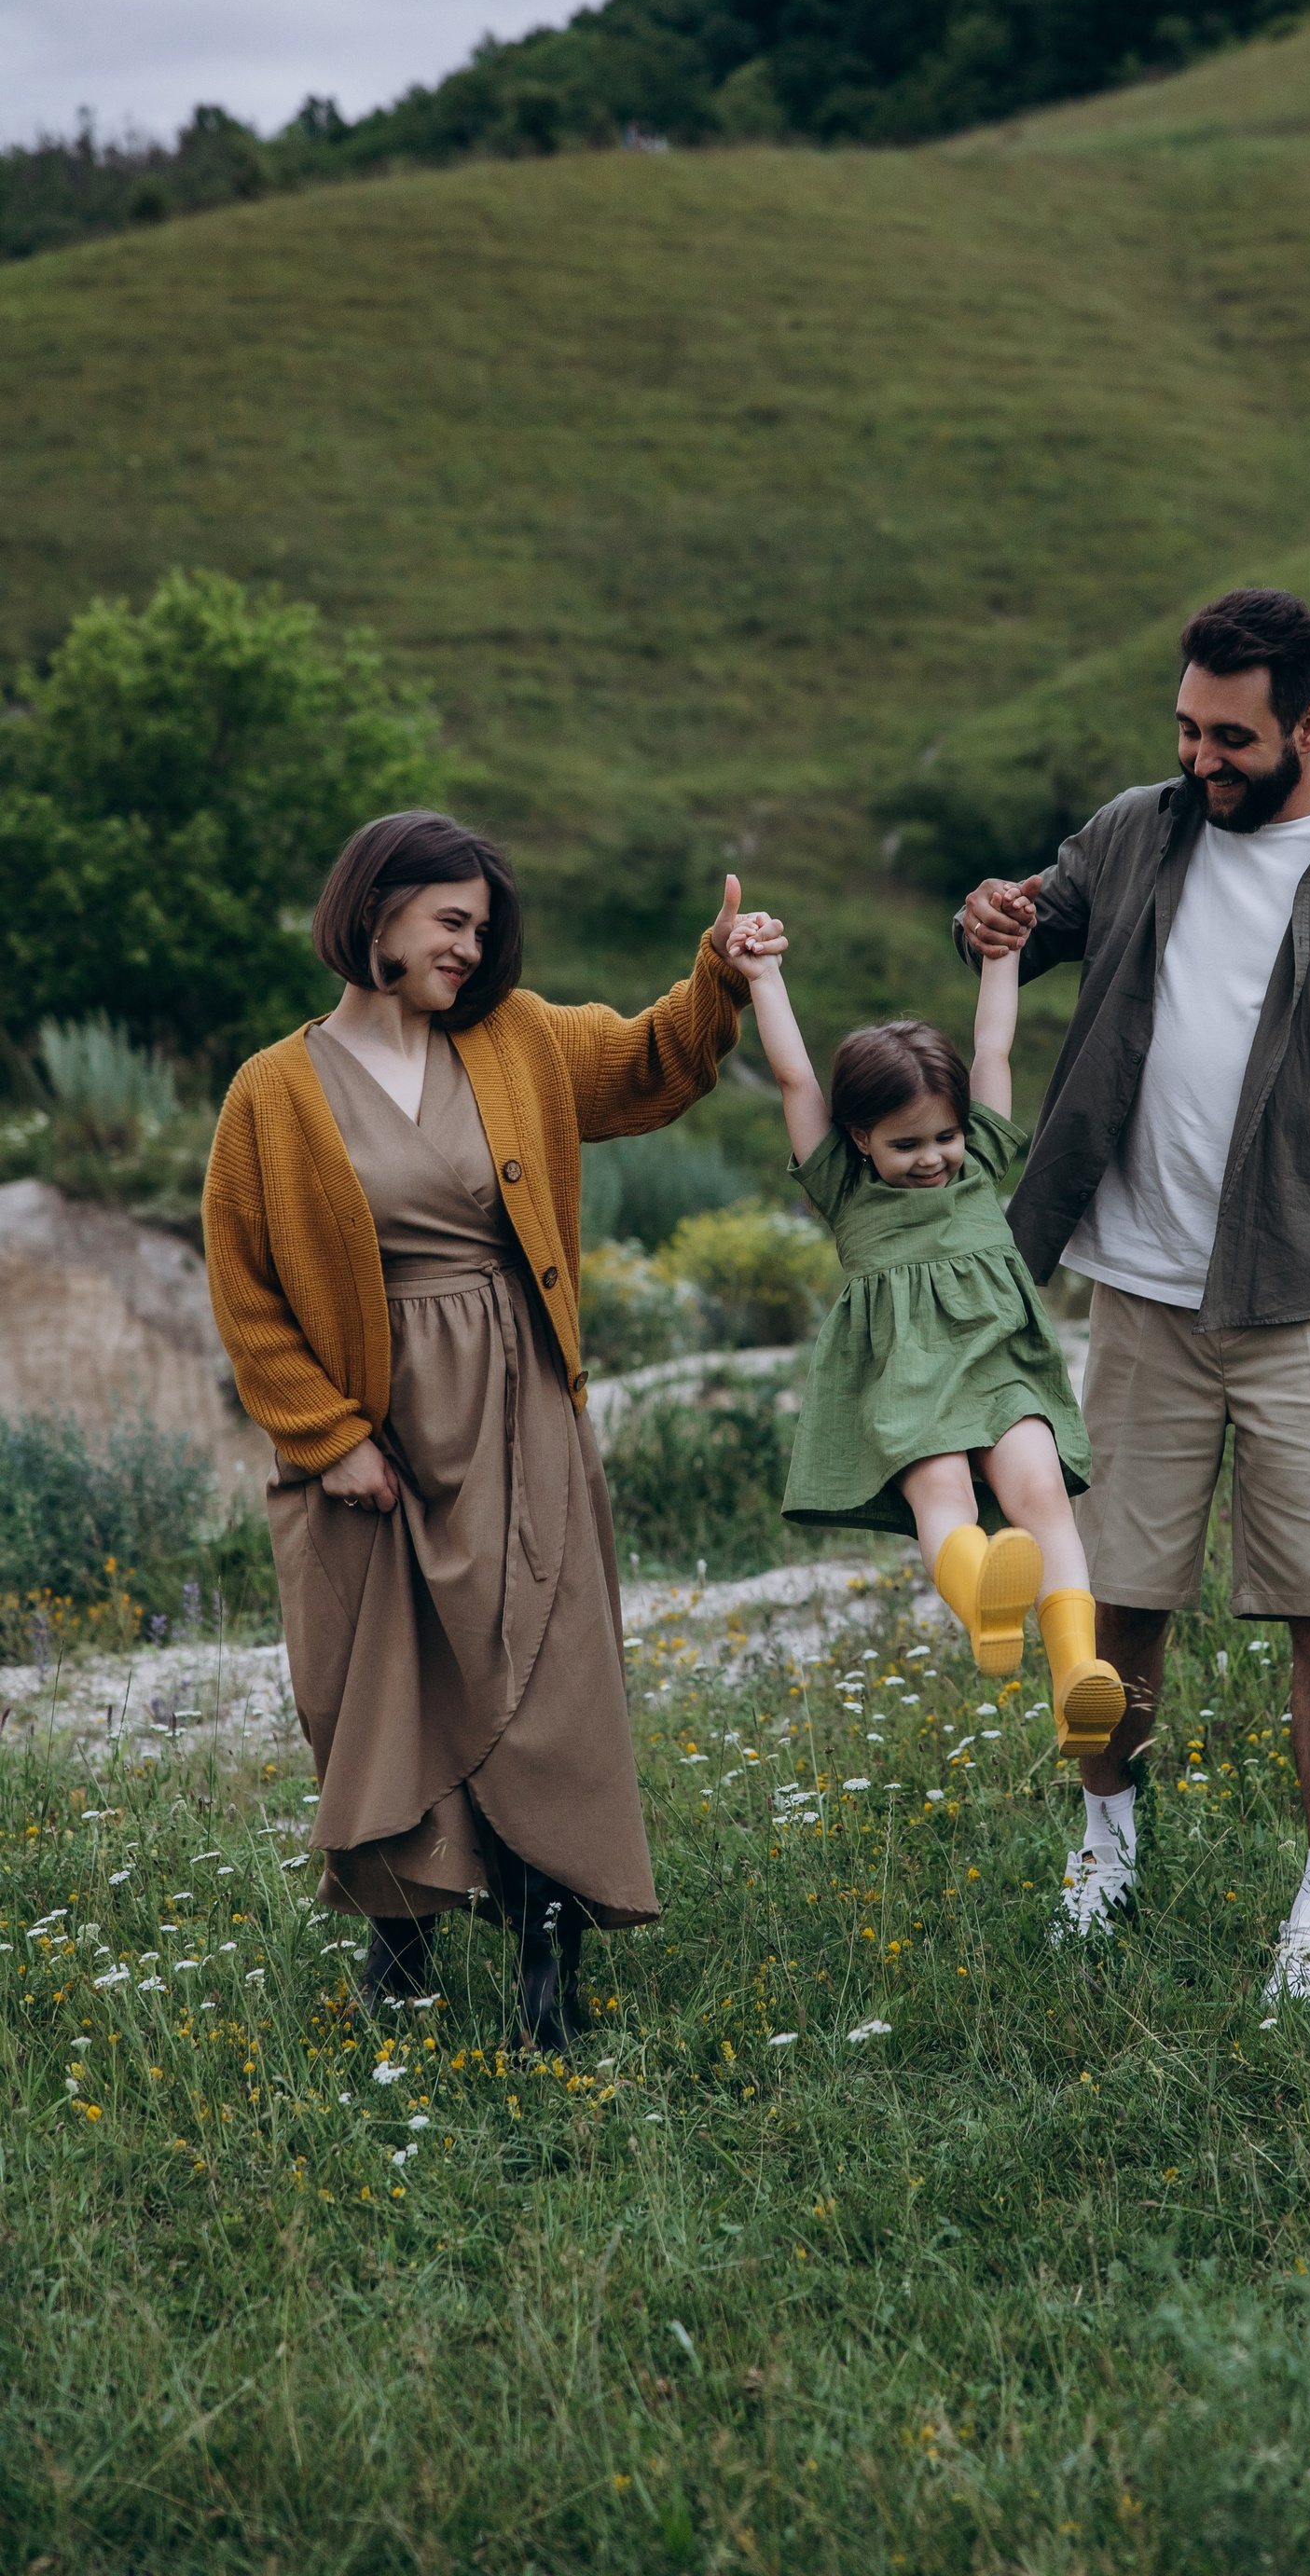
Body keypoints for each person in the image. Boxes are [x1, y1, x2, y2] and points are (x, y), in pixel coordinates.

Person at [959, 587, 1310, 1997]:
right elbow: (1022, 932)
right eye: (1187, 729)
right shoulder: (1133, 831)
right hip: (1138, 1294)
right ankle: (1107, 1850)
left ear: (1308, 726)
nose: (1200, 758)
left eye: (1231, 738)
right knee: (1113, 1598)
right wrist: (986, 917)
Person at [202, 807, 771, 2048]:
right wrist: (327, 1436)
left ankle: (549, 1971)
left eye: (482, 928)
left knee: (547, 1673)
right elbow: (245, 1288)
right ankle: (399, 1940)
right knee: (379, 1682)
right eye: (452, 922)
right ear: (376, 911)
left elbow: (651, 1062)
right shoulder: (273, 1091)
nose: (470, 948)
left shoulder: (518, 1040)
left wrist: (717, 975)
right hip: (374, 1424)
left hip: (517, 1405)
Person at [723, 913, 1124, 1755]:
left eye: (945, 1135)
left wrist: (1001, 958)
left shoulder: (980, 1161)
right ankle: (983, 1600)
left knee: (1041, 1494)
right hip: (907, 1378)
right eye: (906, 1145)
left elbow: (993, 1048)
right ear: (860, 1139)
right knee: (944, 1498)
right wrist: (763, 978)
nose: (934, 1157)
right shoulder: (844, 1188)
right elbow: (795, 1078)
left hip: (1002, 1364)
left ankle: (1077, 1672)